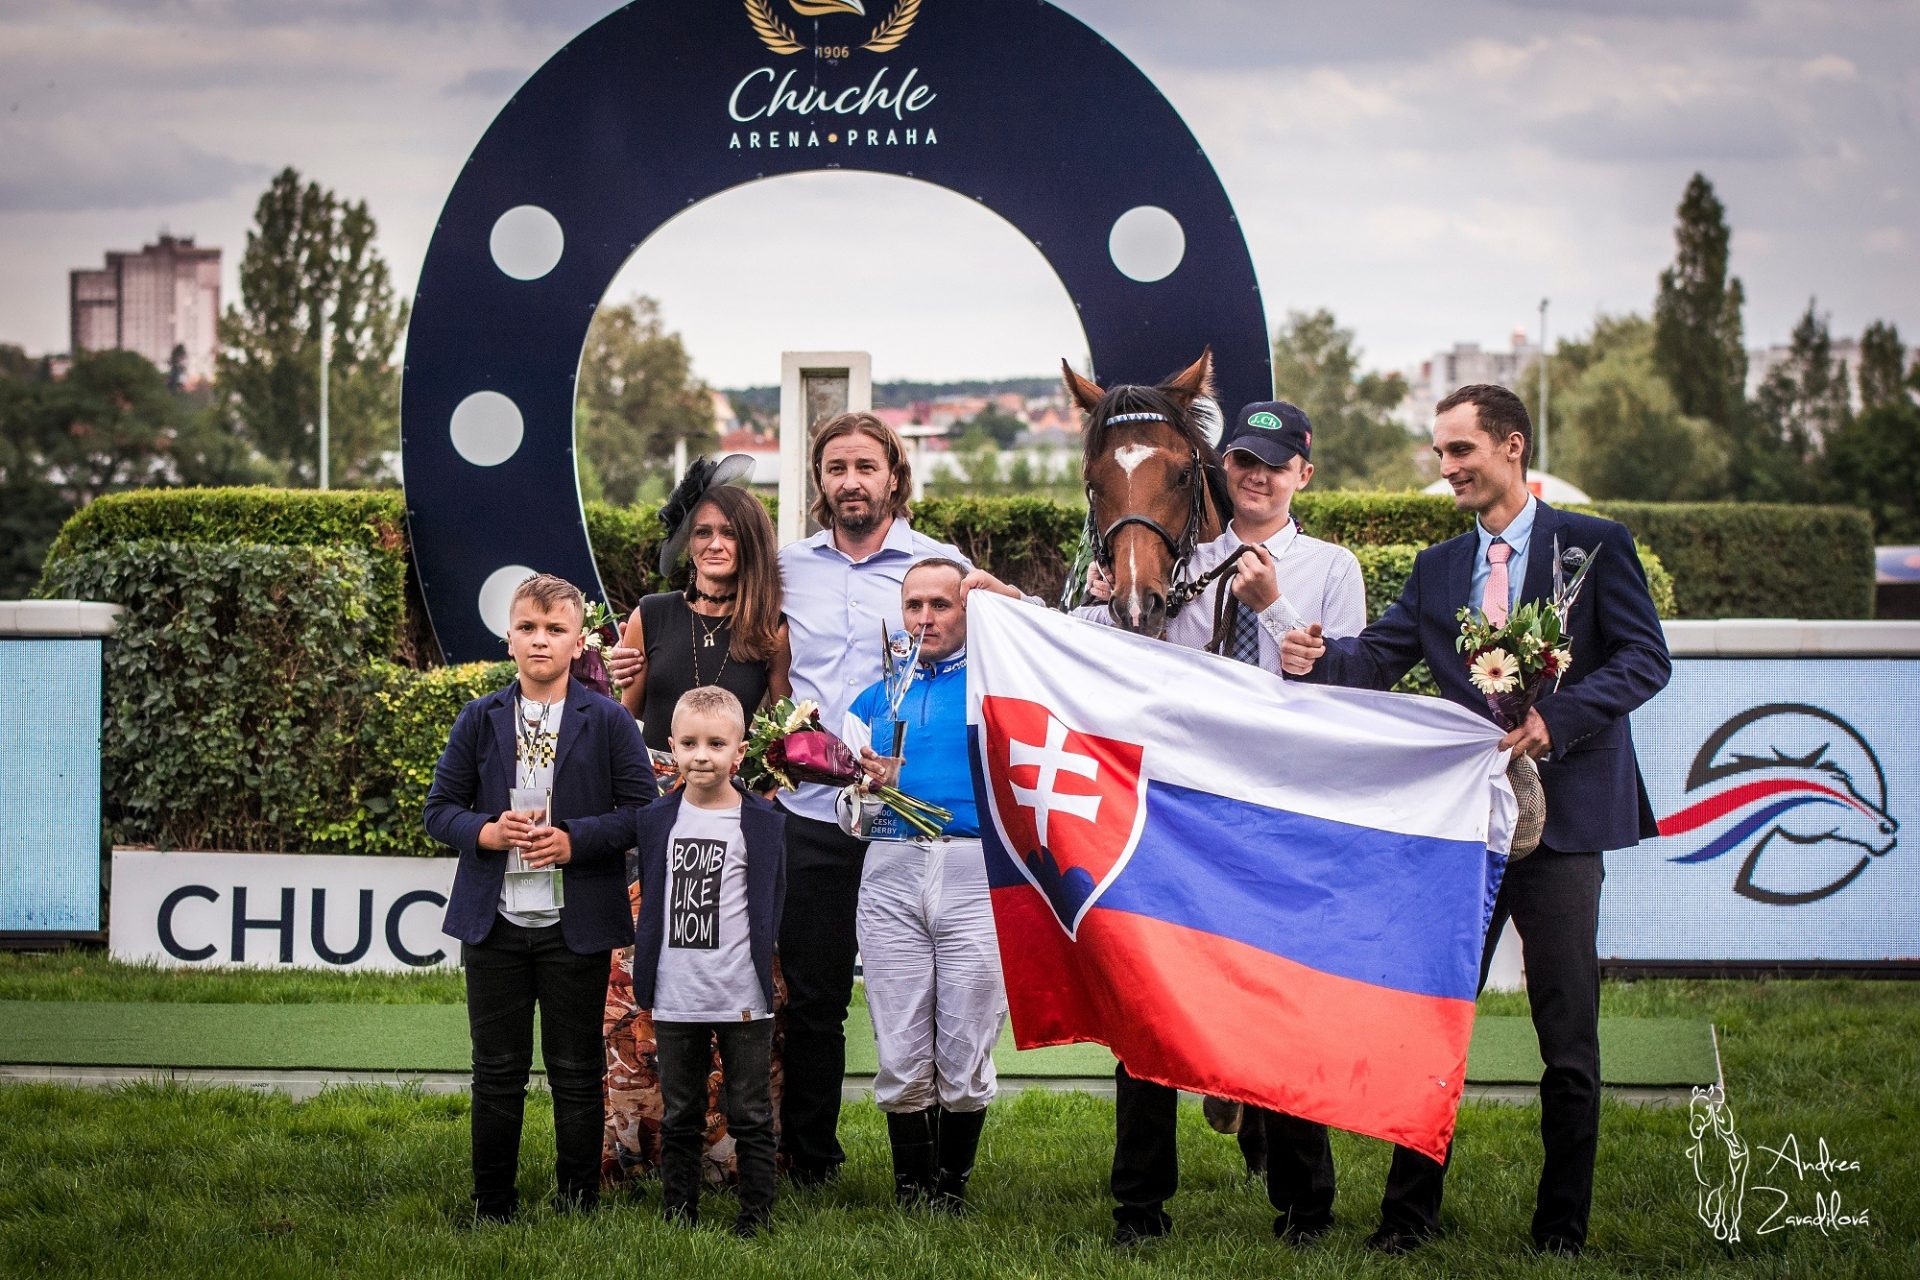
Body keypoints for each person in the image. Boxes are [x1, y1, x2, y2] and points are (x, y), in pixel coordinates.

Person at [1280, 383, 1671, 1257]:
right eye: (1441, 453)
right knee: (1433, 1022)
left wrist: (1555, 719)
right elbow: (1373, 660)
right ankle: (1406, 1221)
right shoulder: (1437, 570)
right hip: (1463, 831)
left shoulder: (1595, 547)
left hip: (1565, 823)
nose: (1447, 467)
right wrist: (1312, 658)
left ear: (1513, 447)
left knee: (1567, 1036)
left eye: (1461, 450)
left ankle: (1560, 1231)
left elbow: (1647, 660)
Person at [1079, 400, 1368, 1247]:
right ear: (1222, 468)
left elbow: (1341, 690)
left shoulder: (1330, 567)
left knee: (1283, 1000)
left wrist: (1275, 605)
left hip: (1280, 812)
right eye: (1244, 459)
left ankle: (1303, 1200)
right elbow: (1126, 667)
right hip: (1181, 809)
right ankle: (1138, 1201)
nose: (1258, 474)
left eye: (1276, 463)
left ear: (1302, 475)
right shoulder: (1174, 556)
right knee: (1147, 996)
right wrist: (1105, 604)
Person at [770, 411, 973, 1185]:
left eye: (864, 466)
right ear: (819, 481)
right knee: (815, 998)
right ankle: (811, 1161)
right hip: (815, 815)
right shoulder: (789, 569)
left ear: (894, 474)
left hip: (911, 823)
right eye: (834, 468)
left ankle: (929, 1174)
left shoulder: (941, 566)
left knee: (922, 999)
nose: (849, 481)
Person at [424, 572, 656, 1222]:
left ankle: (577, 1203)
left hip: (573, 923)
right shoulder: (479, 718)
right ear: (508, 639)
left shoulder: (609, 720)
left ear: (580, 641)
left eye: (555, 629)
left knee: (576, 1070)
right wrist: (487, 831)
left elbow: (643, 813)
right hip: (493, 926)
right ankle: (492, 1204)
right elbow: (439, 810)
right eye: (528, 627)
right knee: (496, 1070)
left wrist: (574, 842)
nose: (540, 640)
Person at [600, 458, 791, 1185]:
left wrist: (759, 796)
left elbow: (783, 735)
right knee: (640, 987)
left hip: (734, 832)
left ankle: (735, 1163)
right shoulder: (651, 612)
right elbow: (623, 723)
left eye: (728, 533)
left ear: (750, 543)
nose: (713, 543)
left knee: (736, 987)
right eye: (701, 531)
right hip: (657, 828)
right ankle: (638, 1155)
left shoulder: (770, 629)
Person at [849, 558, 1018, 1212]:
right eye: (914, 604)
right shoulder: (875, 697)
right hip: (891, 868)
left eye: (940, 605)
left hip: (976, 870)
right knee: (898, 1037)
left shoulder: (998, 683)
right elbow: (850, 819)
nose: (925, 617)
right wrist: (864, 790)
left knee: (965, 1036)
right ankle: (910, 1187)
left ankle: (952, 1187)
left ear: (967, 610)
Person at [630, 686, 787, 1236]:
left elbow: (774, 903)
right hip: (676, 994)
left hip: (741, 996)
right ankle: (679, 1213)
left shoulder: (764, 824)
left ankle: (756, 1216)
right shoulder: (655, 820)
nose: (702, 755)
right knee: (681, 1114)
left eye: (716, 744)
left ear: (739, 753)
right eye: (690, 743)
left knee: (750, 1112)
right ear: (671, 746)